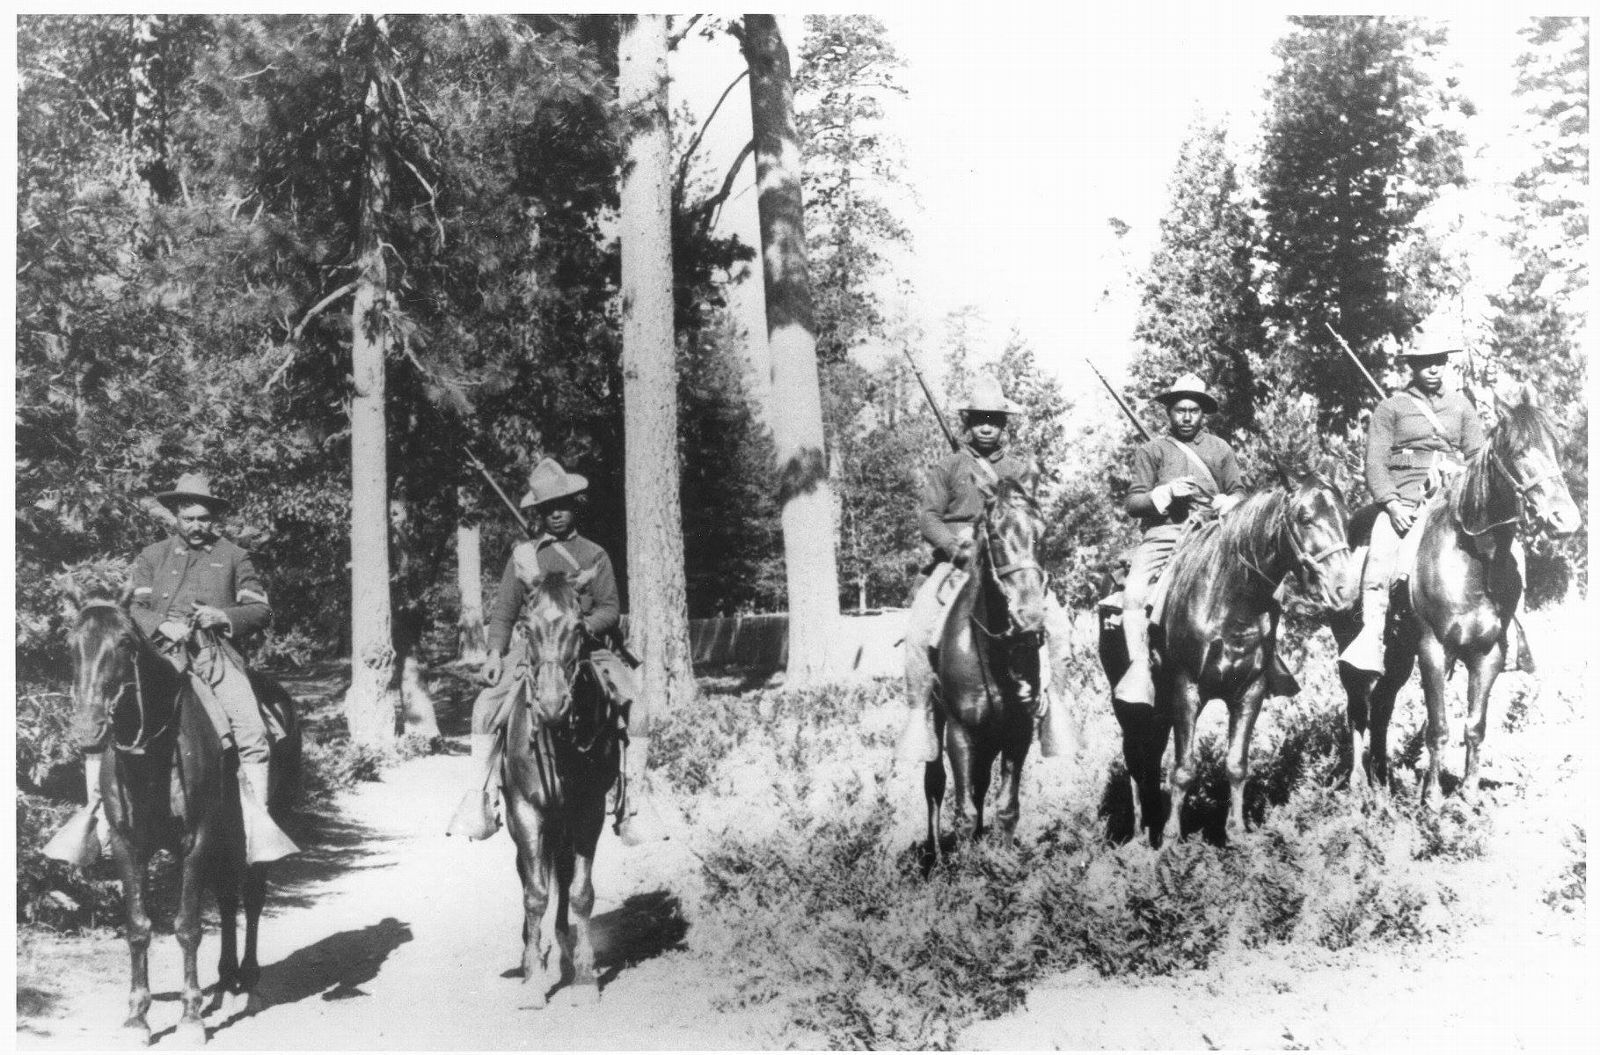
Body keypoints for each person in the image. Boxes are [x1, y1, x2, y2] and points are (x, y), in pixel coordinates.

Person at [49, 472, 298, 866]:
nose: (197, 526)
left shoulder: (234, 556)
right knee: (103, 719)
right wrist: (159, 624)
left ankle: (256, 827)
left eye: (204, 519)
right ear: (175, 516)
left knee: (252, 730)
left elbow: (261, 610)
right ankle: (96, 823)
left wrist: (222, 615)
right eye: (189, 518)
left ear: (214, 517)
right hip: (159, 656)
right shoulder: (153, 556)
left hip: (213, 656)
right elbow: (128, 606)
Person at [447, 458, 670, 846]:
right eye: (547, 509)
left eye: (562, 505)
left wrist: (581, 628)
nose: (556, 515)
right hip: (534, 648)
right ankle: (477, 799)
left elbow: (609, 610)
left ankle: (635, 802)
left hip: (588, 649)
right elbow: (503, 614)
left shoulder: (595, 555)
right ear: (539, 513)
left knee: (637, 709)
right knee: (485, 707)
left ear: (574, 505)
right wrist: (496, 654)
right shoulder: (524, 557)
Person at [896, 375, 1073, 763]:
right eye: (979, 419)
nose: (987, 426)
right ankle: (918, 715)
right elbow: (928, 517)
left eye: (994, 418)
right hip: (957, 561)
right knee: (918, 626)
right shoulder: (948, 466)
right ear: (968, 423)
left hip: (1006, 561)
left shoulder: (1021, 469)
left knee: (1058, 627)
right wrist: (950, 542)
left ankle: (1054, 707)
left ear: (1004, 423)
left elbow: (1031, 515)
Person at [1341, 333, 1486, 673]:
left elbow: (1478, 457)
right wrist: (1391, 503)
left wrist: (1457, 468)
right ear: (1412, 366)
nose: (1433, 369)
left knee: (1505, 549)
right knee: (1380, 557)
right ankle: (1372, 635)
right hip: (1406, 501)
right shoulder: (1390, 408)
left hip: (1456, 501)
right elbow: (1376, 463)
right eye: (1424, 363)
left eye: (1439, 361)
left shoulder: (1461, 406)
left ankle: (1510, 629)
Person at [1115, 373, 1247, 707]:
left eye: (1193, 410)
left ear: (1204, 413)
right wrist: (1165, 492)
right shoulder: (1152, 450)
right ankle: (1139, 667)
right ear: (1169, 413)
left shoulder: (1220, 449)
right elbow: (1133, 503)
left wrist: (1229, 503)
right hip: (1165, 533)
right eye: (1179, 410)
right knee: (1133, 592)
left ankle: (1265, 664)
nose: (1186, 417)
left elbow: (1239, 492)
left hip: (1211, 534)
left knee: (1260, 586)